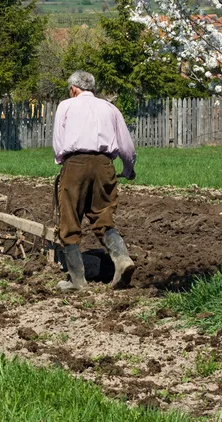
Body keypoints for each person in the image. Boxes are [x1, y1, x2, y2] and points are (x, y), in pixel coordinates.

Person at [53, 70, 137, 291]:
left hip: (75, 163)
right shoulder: (110, 108)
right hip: (104, 164)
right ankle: (122, 260)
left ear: (73, 89)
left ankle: (77, 281)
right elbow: (126, 146)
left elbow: (58, 143)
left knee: (70, 219)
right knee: (103, 217)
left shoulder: (66, 106)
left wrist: (63, 163)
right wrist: (128, 169)